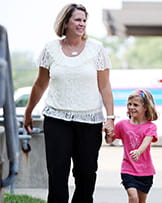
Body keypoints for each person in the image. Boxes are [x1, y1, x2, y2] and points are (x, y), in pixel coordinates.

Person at [23, 3, 114, 203]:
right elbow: (39, 84)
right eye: (77, 20)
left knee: (87, 174)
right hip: (56, 119)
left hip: (89, 121)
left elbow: (105, 86)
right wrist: (28, 112)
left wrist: (110, 118)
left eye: (84, 20)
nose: (82, 24)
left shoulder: (96, 49)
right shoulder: (50, 49)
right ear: (65, 23)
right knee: (57, 175)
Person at [105, 89, 158, 203]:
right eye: (129, 104)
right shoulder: (122, 125)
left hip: (146, 171)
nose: (131, 107)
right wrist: (107, 132)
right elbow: (109, 140)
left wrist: (138, 151)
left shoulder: (150, 127)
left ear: (145, 108)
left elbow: (146, 142)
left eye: (135, 105)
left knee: (141, 201)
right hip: (128, 169)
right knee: (133, 197)